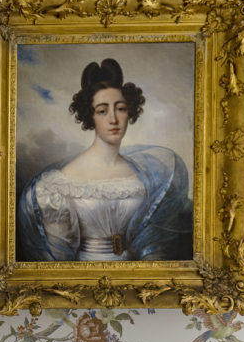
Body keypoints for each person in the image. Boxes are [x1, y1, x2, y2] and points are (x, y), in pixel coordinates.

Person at [17, 58, 193, 261]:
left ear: (130, 112)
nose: (113, 119)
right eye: (102, 111)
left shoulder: (145, 175)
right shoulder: (57, 186)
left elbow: (153, 244)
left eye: (120, 109)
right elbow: (58, 260)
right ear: (90, 116)